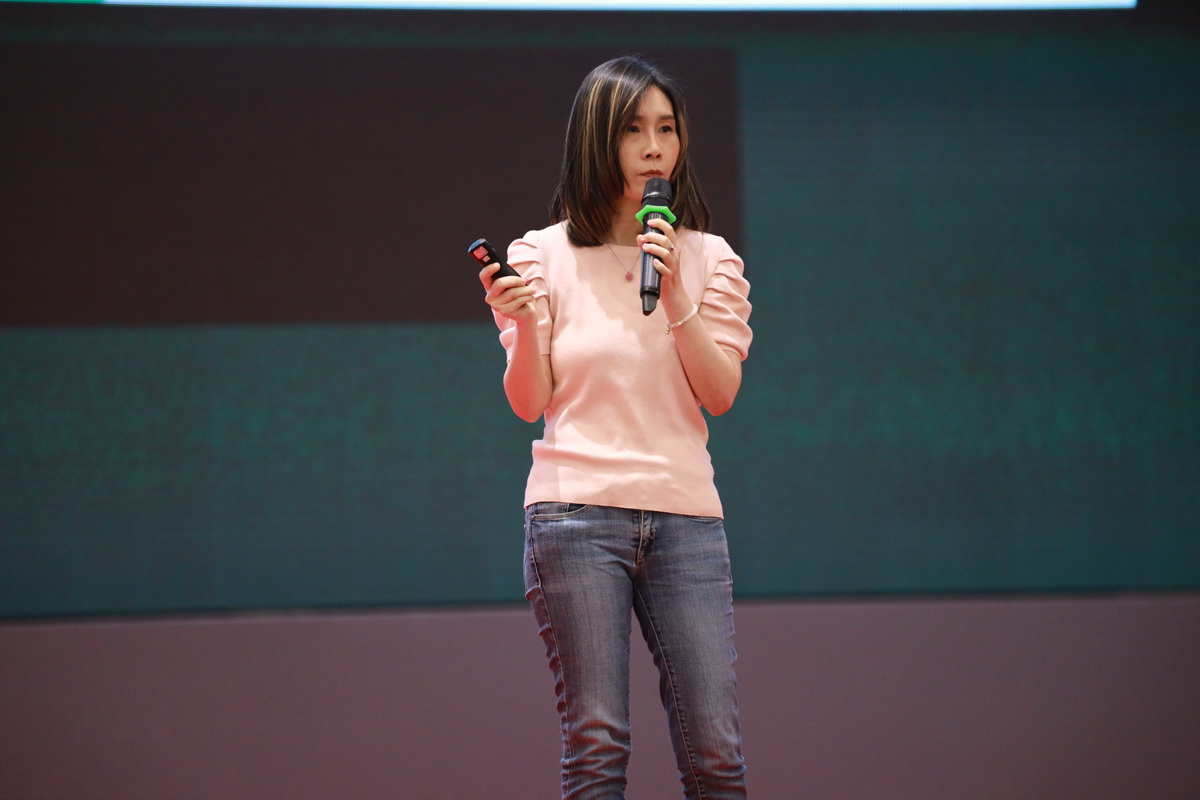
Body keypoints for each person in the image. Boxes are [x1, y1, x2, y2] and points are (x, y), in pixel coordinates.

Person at [479, 55, 752, 800]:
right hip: (575, 515)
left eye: (667, 129)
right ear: (598, 139)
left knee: (716, 751)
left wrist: (677, 296)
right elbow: (528, 401)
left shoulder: (709, 258)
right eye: (634, 130)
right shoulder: (541, 254)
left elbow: (720, 393)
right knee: (597, 743)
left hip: (685, 519)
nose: (655, 148)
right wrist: (525, 323)